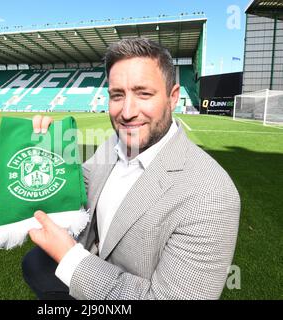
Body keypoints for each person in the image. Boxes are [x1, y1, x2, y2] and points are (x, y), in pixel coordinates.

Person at [22, 38, 241, 300]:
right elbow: (77, 188)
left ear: (173, 98)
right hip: (89, 271)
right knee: (34, 263)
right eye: (117, 95)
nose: (127, 112)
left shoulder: (212, 195)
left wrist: (71, 259)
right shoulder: (113, 143)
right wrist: (45, 155)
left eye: (143, 94)